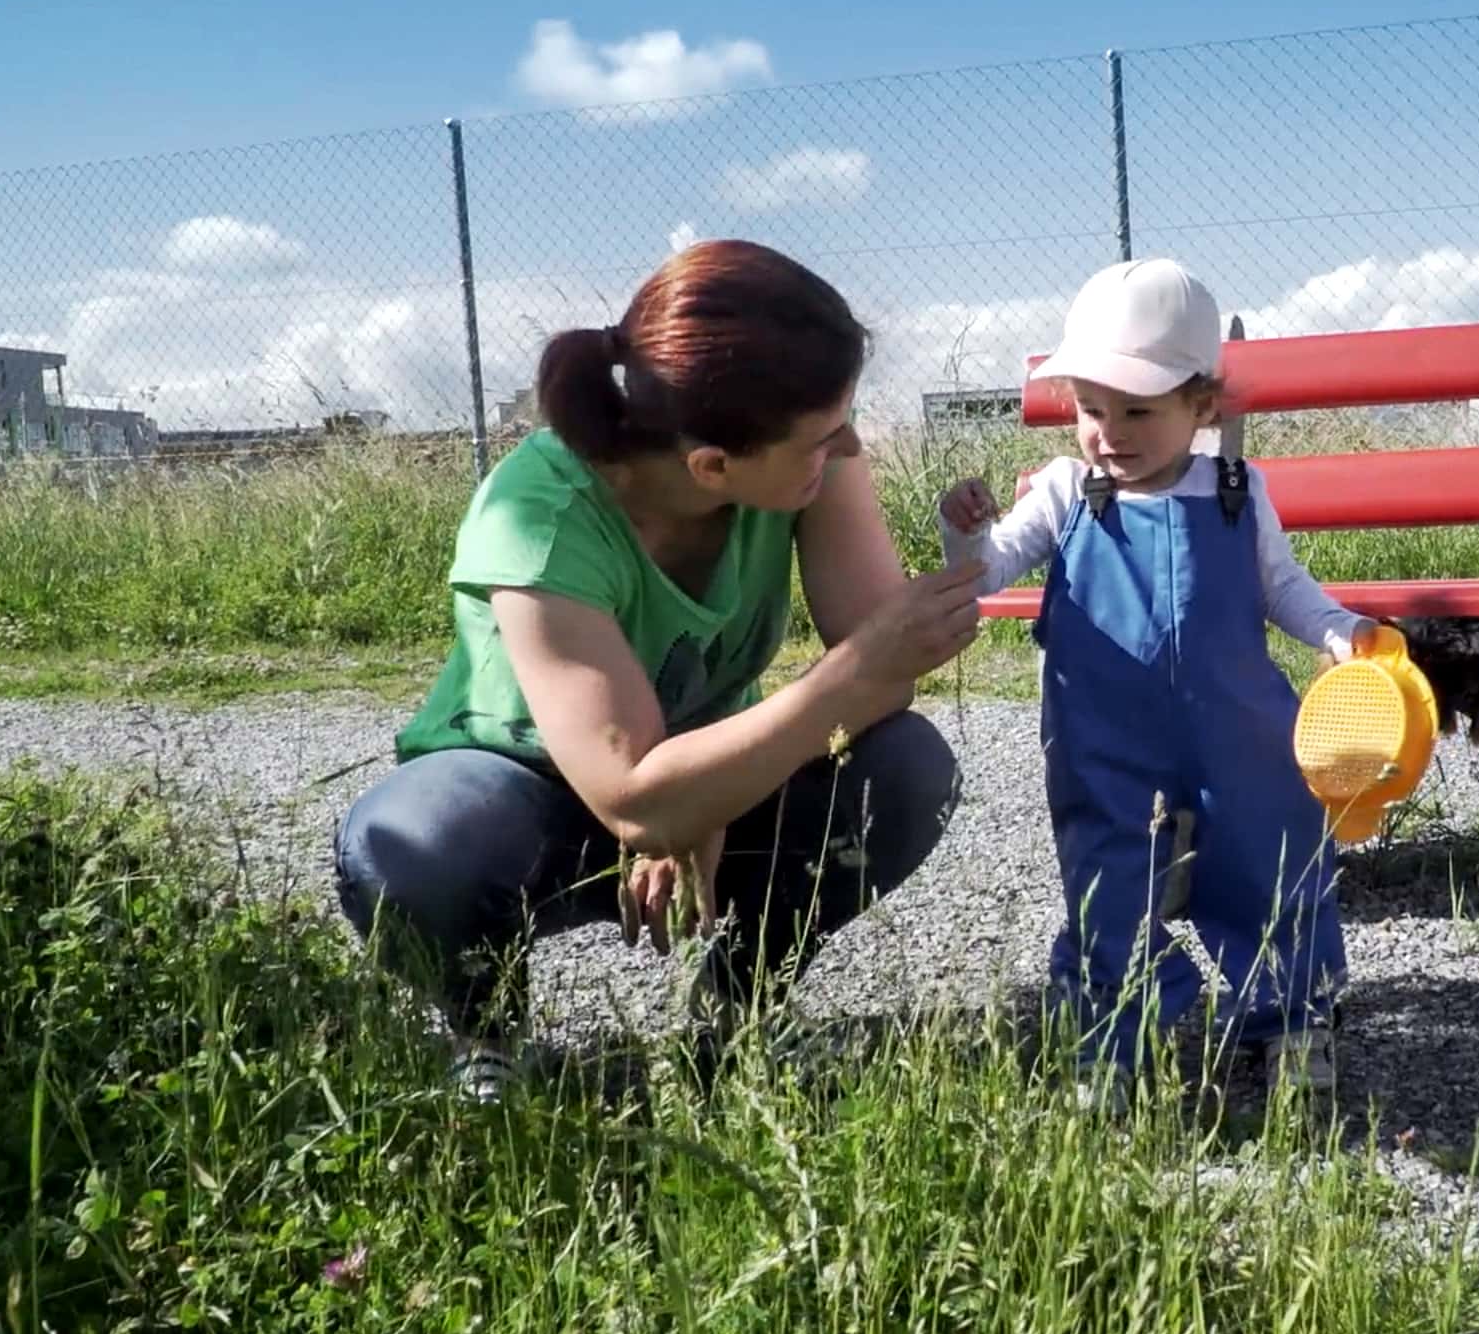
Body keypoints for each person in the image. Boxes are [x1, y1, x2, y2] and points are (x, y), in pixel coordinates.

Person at [334, 239, 984, 1102]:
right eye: (825, 438)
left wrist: (706, 795)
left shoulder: (799, 462)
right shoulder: (537, 514)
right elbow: (635, 793)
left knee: (907, 770)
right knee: (418, 847)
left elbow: (883, 681)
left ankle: (739, 1010)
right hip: (529, 797)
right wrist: (683, 798)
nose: (850, 446)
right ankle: (483, 1030)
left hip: (693, 771)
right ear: (711, 465)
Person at [938, 256, 1372, 1113]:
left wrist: (1341, 633)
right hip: (1106, 741)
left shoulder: (1239, 492)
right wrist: (965, 536)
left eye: (1138, 410)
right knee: (1107, 880)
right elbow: (986, 574)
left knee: (1272, 861)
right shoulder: (1066, 492)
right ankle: (1113, 1035)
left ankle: (1290, 1016)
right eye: (1092, 410)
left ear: (1202, 406)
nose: (1110, 431)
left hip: (1240, 732)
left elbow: (1283, 587)